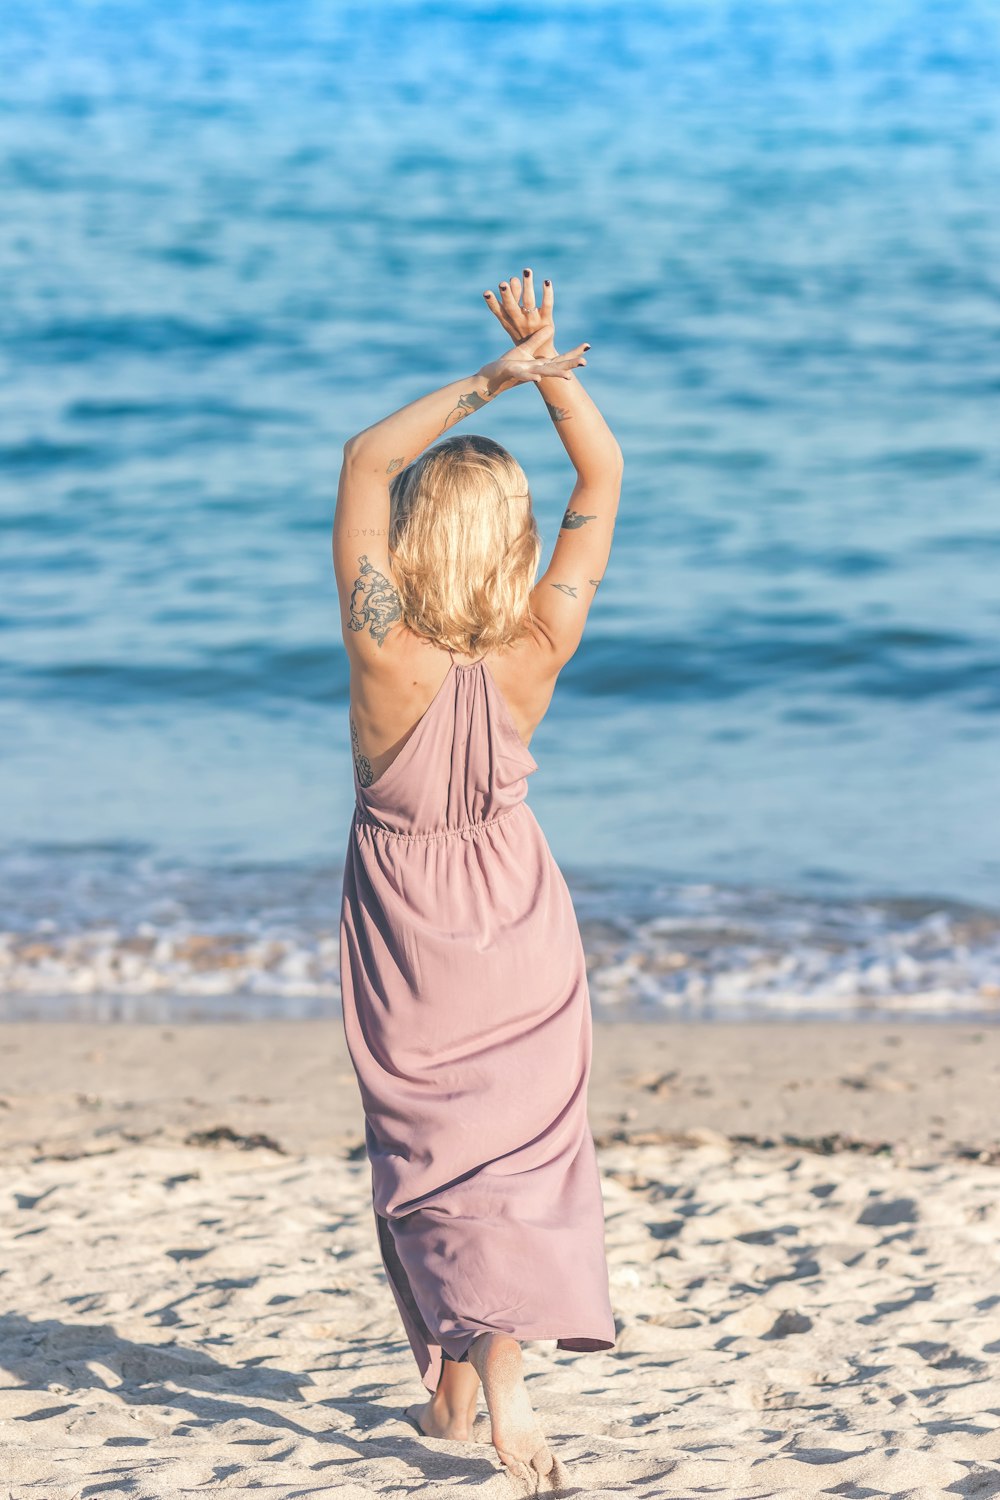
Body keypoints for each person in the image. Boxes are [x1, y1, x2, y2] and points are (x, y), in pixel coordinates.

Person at [335, 269, 624, 1486]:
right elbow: (600, 485)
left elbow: (359, 460)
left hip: (408, 927)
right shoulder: (535, 646)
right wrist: (549, 374)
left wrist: (483, 381)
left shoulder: (382, 648)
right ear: (509, 543)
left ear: (411, 539)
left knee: (427, 1156)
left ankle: (483, 1382)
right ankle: (468, 1390)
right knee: (518, 1151)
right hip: (520, 917)